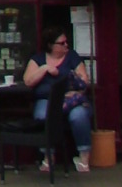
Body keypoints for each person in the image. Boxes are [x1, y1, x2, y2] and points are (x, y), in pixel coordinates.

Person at [24, 28, 93, 173]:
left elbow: (84, 80)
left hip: (71, 99)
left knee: (79, 116)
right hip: (47, 98)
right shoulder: (38, 59)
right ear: (50, 45)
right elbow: (28, 81)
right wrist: (44, 69)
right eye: (62, 43)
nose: (66, 45)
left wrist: (74, 91)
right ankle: (48, 156)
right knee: (43, 115)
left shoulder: (72, 57)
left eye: (66, 42)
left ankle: (84, 158)